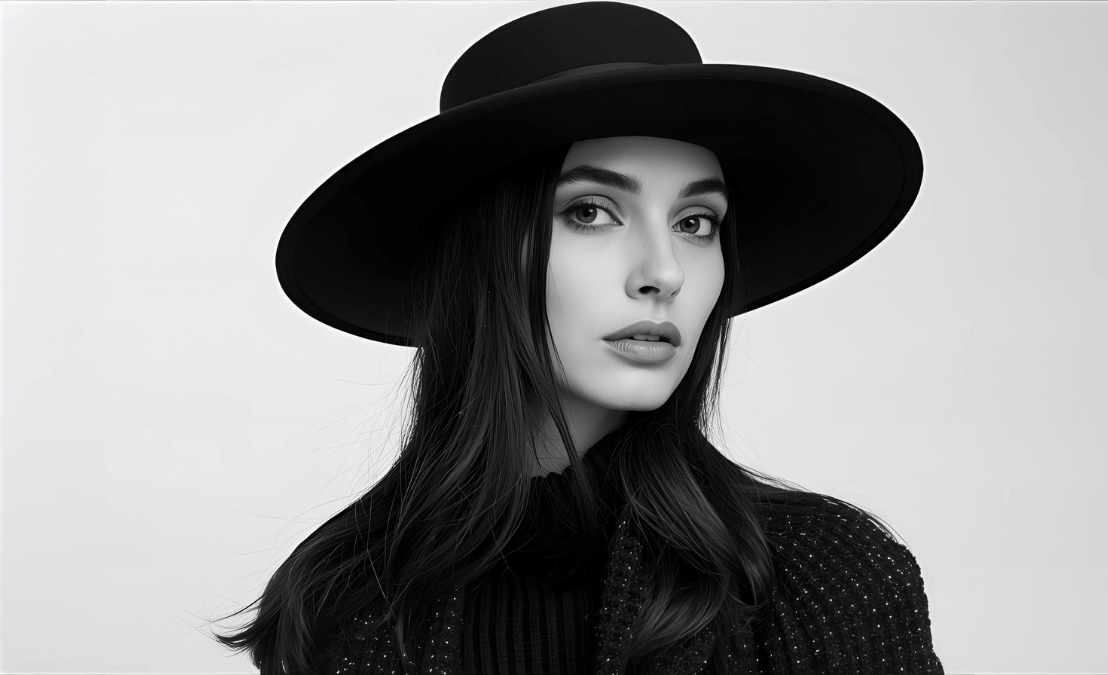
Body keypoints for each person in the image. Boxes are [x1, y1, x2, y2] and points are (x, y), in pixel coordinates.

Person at [211, 2, 942, 673]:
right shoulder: (342, 600)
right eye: (591, 212)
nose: (664, 272)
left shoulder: (825, 576)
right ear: (488, 256)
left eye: (696, 223)